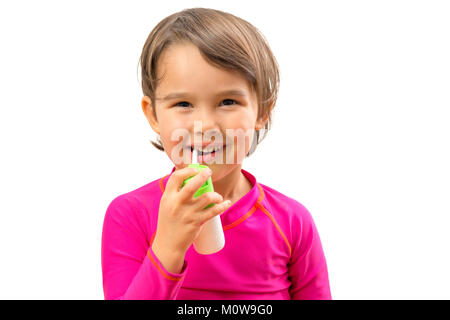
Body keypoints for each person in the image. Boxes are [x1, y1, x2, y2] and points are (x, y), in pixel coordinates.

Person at [101, 7, 331, 300]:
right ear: (154, 115)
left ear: (262, 110)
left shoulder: (292, 223)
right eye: (183, 104)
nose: (205, 125)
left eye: (227, 101)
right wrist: (168, 247)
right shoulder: (131, 215)